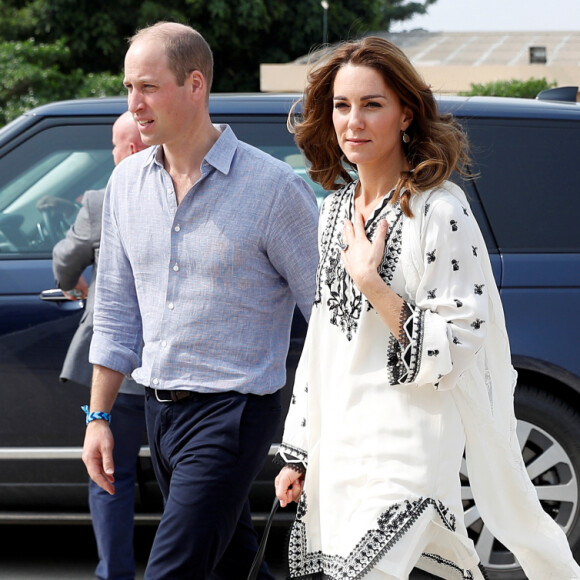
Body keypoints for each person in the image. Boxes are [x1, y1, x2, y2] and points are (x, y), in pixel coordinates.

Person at [274, 36, 580, 580]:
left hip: (410, 437)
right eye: (342, 106)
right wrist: (299, 449)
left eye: (372, 105)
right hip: (341, 438)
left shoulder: (439, 211)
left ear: (406, 114)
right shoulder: (333, 213)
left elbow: (458, 343)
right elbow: (323, 339)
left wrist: (373, 283)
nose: (353, 121)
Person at [81, 21, 319, 580]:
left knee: (174, 568)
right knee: (234, 563)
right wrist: (98, 417)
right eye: (128, 88)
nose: (134, 104)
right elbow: (115, 309)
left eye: (147, 87)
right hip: (160, 410)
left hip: (234, 411)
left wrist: (313, 436)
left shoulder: (274, 188)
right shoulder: (126, 185)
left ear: (195, 85)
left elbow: (330, 317)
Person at [52, 111, 149, 580]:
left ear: (129, 149)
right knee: (187, 484)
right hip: (182, 371)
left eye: (114, 145)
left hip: (120, 372)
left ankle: (115, 572)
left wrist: (76, 285)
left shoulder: (101, 199)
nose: (113, 153)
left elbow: (64, 261)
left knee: (110, 476)